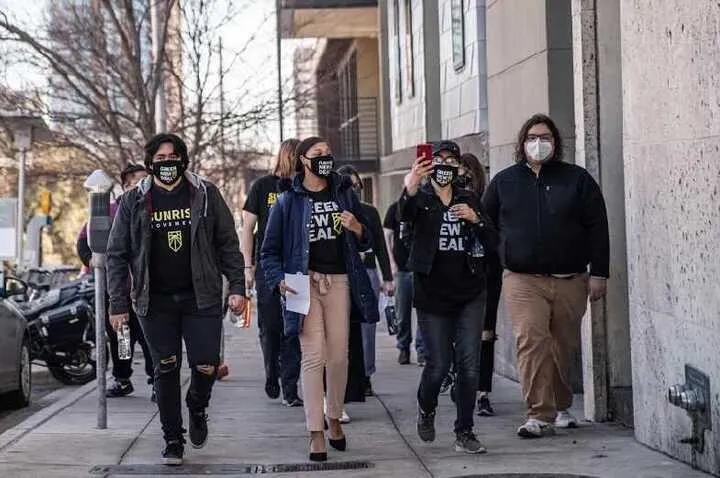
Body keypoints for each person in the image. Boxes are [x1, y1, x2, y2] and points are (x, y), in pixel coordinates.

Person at [106, 133, 247, 466]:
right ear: (150, 162)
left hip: (202, 297)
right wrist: (117, 305)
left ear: (183, 160)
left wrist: (238, 287)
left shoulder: (206, 194)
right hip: (154, 301)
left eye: (173, 157)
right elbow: (116, 254)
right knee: (165, 367)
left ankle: (197, 405)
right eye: (160, 157)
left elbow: (228, 243)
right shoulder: (133, 201)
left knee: (206, 363)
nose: (167, 163)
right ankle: (173, 438)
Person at [483, 113, 609, 438]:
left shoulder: (577, 180)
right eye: (532, 137)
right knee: (531, 340)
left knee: (562, 346)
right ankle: (538, 415)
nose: (538, 143)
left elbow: (598, 226)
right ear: (522, 144)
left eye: (545, 137)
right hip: (523, 279)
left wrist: (600, 273)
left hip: (571, 279)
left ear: (555, 143)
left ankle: (561, 404)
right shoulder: (504, 181)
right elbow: (485, 224)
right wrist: (500, 255)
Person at [261, 137, 379, 462]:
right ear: (303, 161)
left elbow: (367, 238)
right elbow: (268, 251)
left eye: (328, 153)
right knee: (312, 357)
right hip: (302, 282)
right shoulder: (287, 202)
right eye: (318, 154)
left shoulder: (344, 193)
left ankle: (334, 418)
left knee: (339, 357)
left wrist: (356, 227)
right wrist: (278, 280)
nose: (326, 158)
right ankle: (316, 432)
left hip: (340, 281)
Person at [399, 140, 497, 454]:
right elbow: (404, 218)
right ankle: (426, 409)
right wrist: (411, 186)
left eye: (450, 161)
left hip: (470, 292)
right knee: (438, 366)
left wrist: (475, 219)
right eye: (437, 160)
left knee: (469, 365)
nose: (444, 166)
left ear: (458, 167)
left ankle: (465, 432)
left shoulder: (470, 198)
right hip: (432, 295)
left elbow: (493, 240)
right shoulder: (421, 198)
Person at [76, 163, 154, 399]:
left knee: (151, 339)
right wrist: (94, 262)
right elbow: (83, 241)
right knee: (122, 339)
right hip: (118, 291)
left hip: (147, 290)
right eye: (139, 181)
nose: (144, 185)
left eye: (146, 180)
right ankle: (122, 379)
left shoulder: (154, 210)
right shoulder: (109, 211)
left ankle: (156, 381)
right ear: (126, 184)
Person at [242, 139, 303, 407]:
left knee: (294, 329)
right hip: (268, 266)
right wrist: (247, 265)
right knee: (270, 327)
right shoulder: (263, 186)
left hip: (298, 269)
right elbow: (247, 228)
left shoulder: (305, 187)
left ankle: (290, 389)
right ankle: (271, 372)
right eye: (294, 155)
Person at [337, 165, 394, 397]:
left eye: (356, 185)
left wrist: (387, 278)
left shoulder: (369, 212)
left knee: (368, 328)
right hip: (344, 275)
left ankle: (367, 374)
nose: (354, 190)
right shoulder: (336, 211)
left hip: (368, 272)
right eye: (348, 186)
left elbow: (380, 244)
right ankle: (349, 376)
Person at [456, 153, 498, 417]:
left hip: (487, 271)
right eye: (460, 172)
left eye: (468, 172)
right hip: (458, 273)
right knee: (460, 335)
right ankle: (462, 382)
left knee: (486, 334)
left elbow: (494, 233)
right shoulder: (448, 198)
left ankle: (483, 392)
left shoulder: (487, 198)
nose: (464, 177)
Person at [383, 200, 425, 366]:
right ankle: (403, 348)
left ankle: (422, 350)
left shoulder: (425, 206)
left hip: (421, 268)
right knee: (402, 312)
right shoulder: (395, 208)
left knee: (423, 311)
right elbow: (387, 236)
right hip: (402, 267)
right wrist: (391, 263)